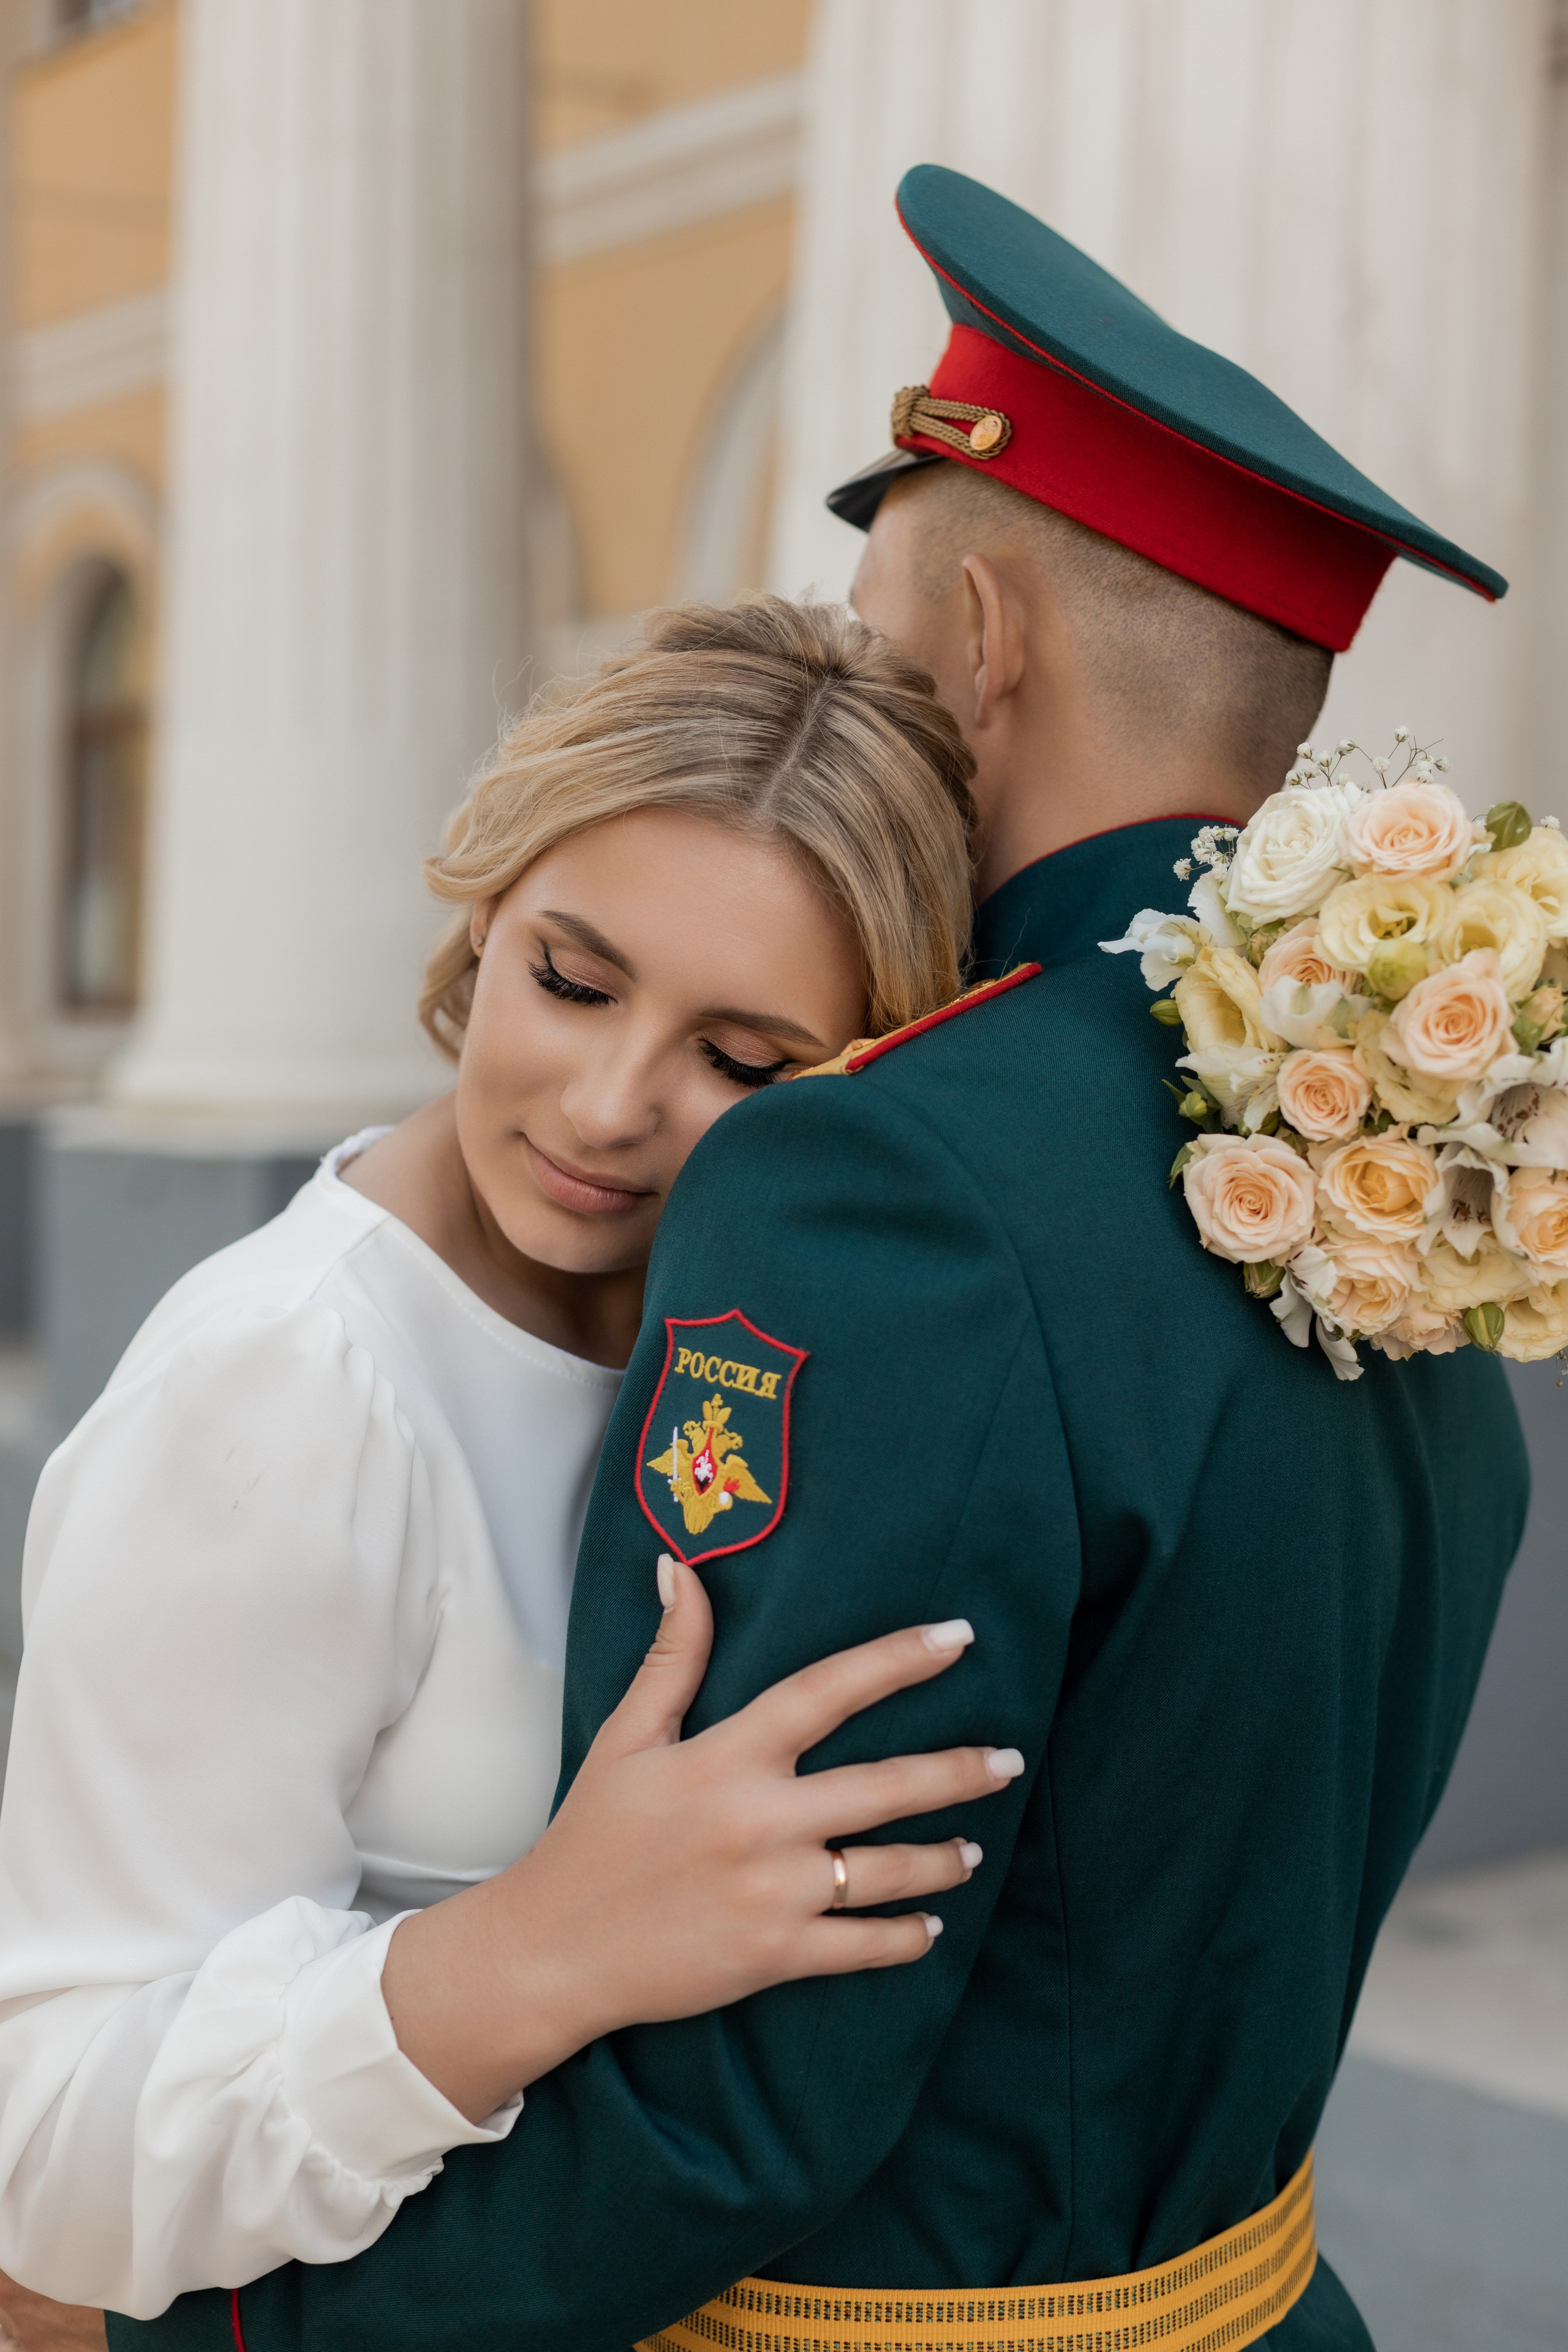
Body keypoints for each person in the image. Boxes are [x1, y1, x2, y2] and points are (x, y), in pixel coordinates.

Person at [125, 168, 1532, 2352]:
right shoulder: (1400, 1150)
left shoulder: (885, 1175)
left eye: (876, 628)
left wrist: (210, 2336)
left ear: (981, 647)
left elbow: (734, 2098)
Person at [0, 598, 1031, 2325]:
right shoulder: (288, 1384)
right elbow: (48, 2152)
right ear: (483, 910)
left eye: (741, 1059)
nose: (612, 1103)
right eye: (572, 976)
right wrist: (540, 1946)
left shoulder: (730, 1335)